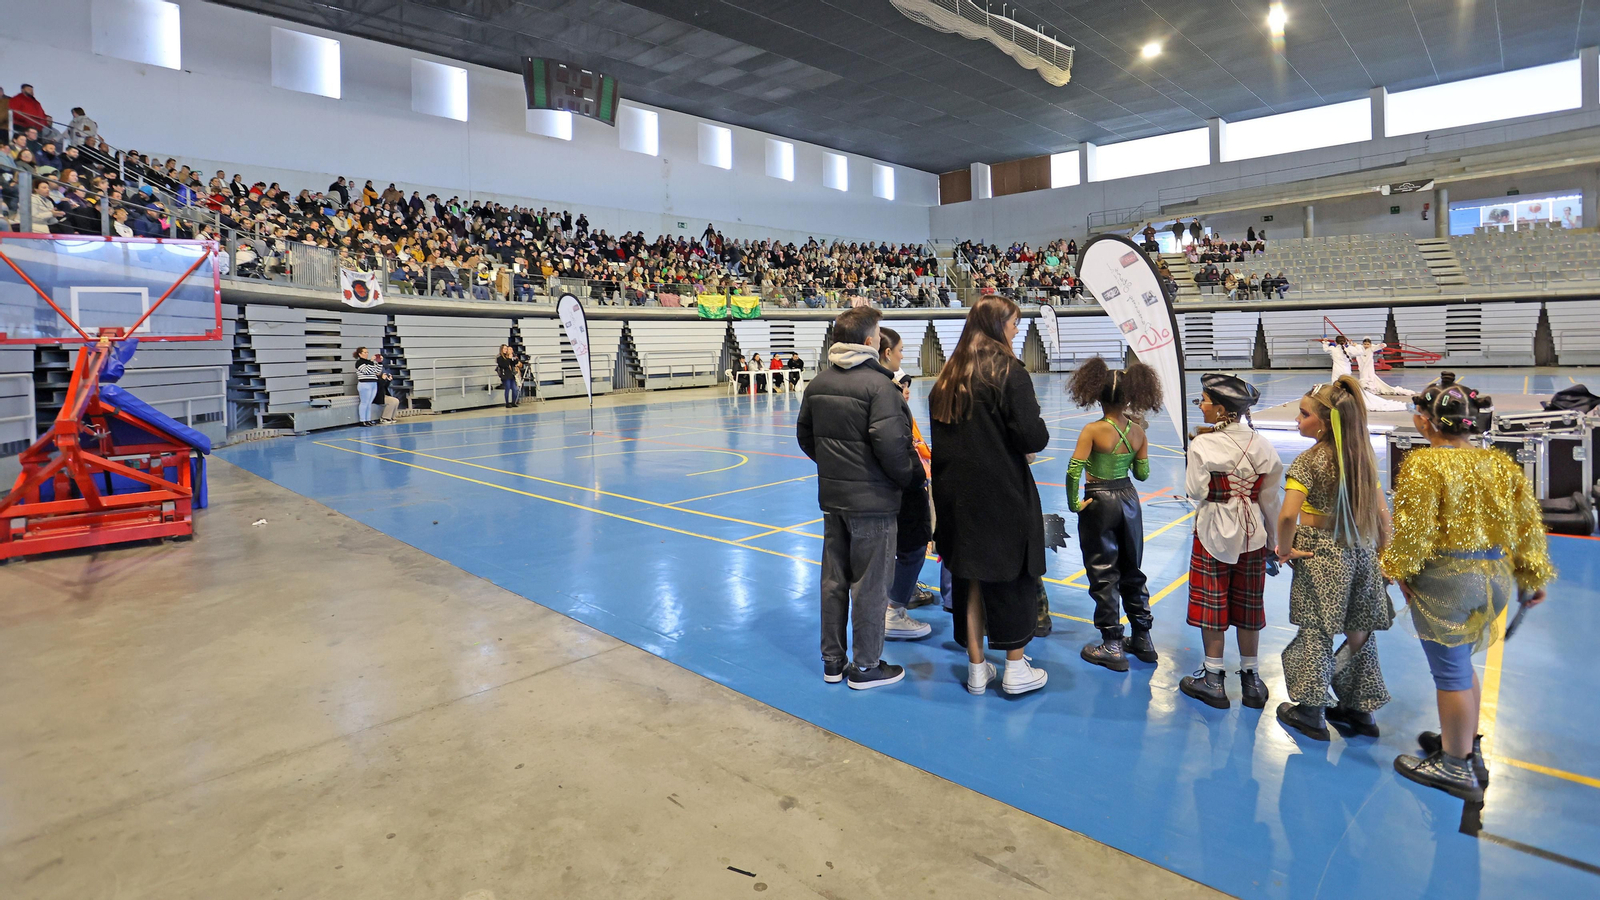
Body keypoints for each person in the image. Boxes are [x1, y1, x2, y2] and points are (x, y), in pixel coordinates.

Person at [1384, 374, 1552, 801]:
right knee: (1461, 665)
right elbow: (1527, 526)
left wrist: (1392, 571)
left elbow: (1414, 534)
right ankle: (1464, 741)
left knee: (1450, 672)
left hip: (1448, 581)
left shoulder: (1424, 465)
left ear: (1429, 422)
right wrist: (1530, 579)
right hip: (1493, 579)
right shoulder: (1499, 463)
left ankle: (1454, 766)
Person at [929, 296, 1050, 696]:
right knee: (1014, 576)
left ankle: (977, 668)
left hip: (956, 496)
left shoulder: (948, 374)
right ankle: (1015, 668)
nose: (1017, 329)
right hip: (1002, 492)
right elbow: (1033, 435)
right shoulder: (1008, 371)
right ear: (999, 325)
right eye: (1014, 323)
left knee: (970, 577)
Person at [796, 306, 921, 690]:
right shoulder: (881, 387)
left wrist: (838, 467)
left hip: (834, 500)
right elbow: (893, 448)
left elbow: (806, 437)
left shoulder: (818, 384)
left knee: (833, 581)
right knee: (869, 585)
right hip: (873, 504)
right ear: (870, 342)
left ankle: (833, 662)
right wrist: (908, 480)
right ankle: (866, 667)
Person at [1273, 377, 1394, 741]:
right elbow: (1383, 517)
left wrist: (1283, 549)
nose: (1297, 419)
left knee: (1316, 628)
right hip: (1361, 551)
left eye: (1303, 414)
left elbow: (1286, 516)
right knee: (1360, 630)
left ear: (1323, 424)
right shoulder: (1362, 459)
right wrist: (1383, 555)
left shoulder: (1308, 461)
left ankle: (1311, 710)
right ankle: (1361, 711)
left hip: (1319, 554)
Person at [1179, 374, 1284, 710]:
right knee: (1249, 605)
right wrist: (1275, 542)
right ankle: (1251, 679)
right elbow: (1270, 500)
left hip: (1214, 531)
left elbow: (1195, 491)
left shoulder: (1203, 444)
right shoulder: (1263, 445)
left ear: (1221, 409)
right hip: (1254, 532)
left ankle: (1213, 678)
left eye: (1204, 401)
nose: (1201, 406)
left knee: (1213, 605)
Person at [1063, 357, 1164, 671]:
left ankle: (1111, 644)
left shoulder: (1092, 430)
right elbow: (1143, 474)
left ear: (1096, 395)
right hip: (1129, 500)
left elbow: (1073, 470)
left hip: (1099, 501)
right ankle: (1143, 638)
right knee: (1132, 568)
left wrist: (1073, 503)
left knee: (1103, 570)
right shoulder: (1137, 432)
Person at [877, 327, 934, 640]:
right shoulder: (885, 394)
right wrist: (917, 479)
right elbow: (898, 446)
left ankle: (887, 605)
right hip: (900, 487)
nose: (901, 356)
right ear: (886, 353)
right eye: (899, 351)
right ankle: (893, 609)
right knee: (912, 548)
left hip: (874, 489)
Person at [354, 347, 381, 426]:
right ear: (360, 354)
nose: (366, 354)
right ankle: (362, 420)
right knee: (364, 402)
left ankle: (368, 419)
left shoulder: (370, 363)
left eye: (367, 352)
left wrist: (379, 363)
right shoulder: (359, 363)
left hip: (373, 383)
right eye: (364, 352)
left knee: (369, 403)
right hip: (365, 384)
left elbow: (377, 372)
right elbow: (366, 371)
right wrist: (371, 361)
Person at [374, 352, 399, 424]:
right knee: (392, 401)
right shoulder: (373, 378)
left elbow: (384, 386)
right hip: (377, 396)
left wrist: (388, 380)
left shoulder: (379, 376)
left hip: (382, 394)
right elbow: (379, 387)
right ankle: (385, 417)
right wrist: (382, 380)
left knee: (396, 400)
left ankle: (392, 417)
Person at [495, 344, 521, 408]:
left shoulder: (508, 357)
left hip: (511, 375)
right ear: (501, 349)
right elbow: (504, 365)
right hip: (505, 375)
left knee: (515, 389)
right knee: (508, 388)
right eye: (504, 349)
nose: (506, 350)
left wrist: (514, 358)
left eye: (506, 349)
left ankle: (513, 402)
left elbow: (514, 363)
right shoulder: (499, 358)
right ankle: (507, 403)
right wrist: (509, 359)